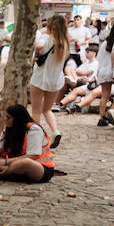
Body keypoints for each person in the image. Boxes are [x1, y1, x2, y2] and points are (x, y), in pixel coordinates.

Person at [30, 15, 68, 149]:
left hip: (41, 78)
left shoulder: (46, 38)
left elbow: (37, 46)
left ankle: (37, 138)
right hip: (56, 81)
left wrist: (39, 33)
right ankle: (55, 131)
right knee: (47, 109)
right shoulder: (65, 42)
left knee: (36, 110)